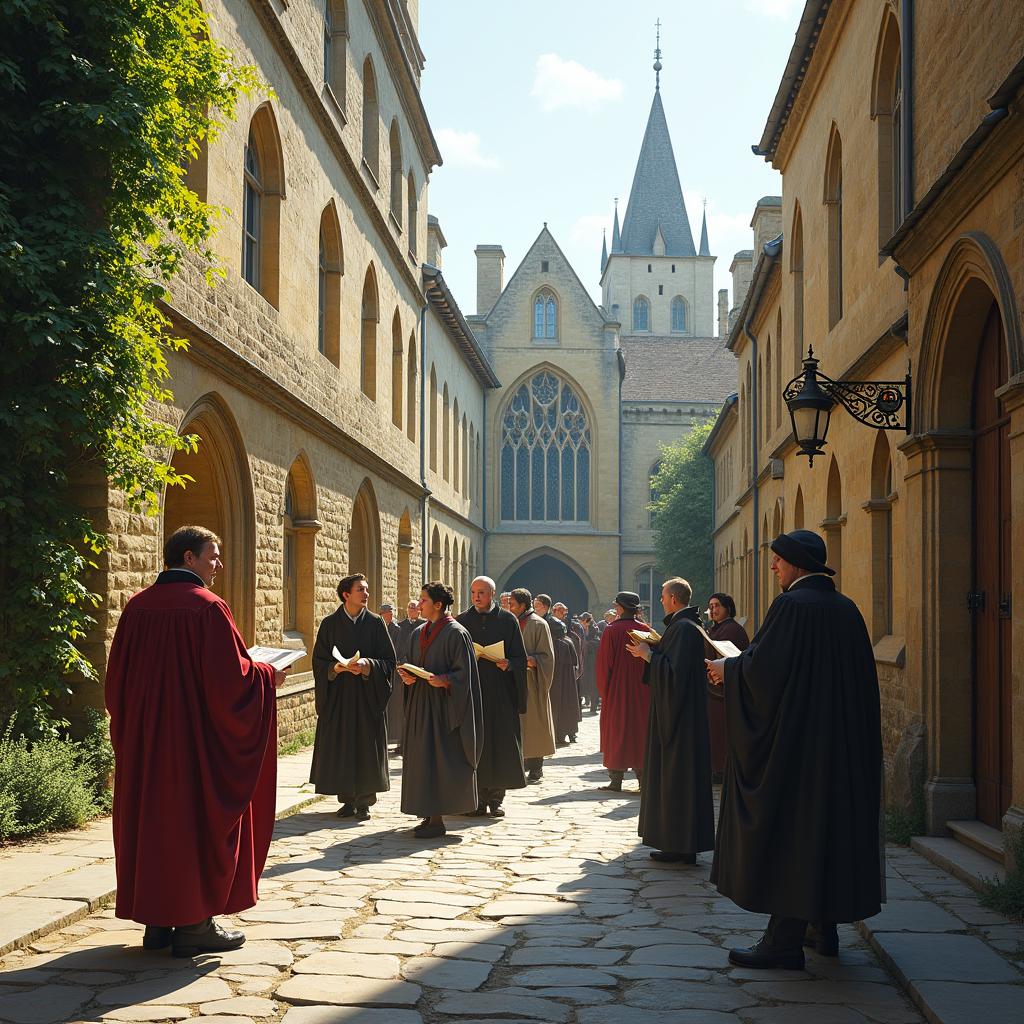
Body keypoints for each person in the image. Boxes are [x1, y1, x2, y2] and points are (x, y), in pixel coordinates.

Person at [706, 530, 883, 970]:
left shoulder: (791, 606)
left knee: (793, 832)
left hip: (797, 749)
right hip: (840, 750)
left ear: (797, 565)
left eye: (778, 562)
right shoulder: (847, 610)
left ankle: (783, 940)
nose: (773, 568)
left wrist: (727, 670)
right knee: (828, 830)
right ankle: (822, 928)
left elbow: (764, 671)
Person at [105, 525, 285, 957]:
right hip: (193, 746)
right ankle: (194, 926)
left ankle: (157, 923)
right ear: (188, 558)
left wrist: (136, 732)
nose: (219, 565)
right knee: (192, 823)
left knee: (154, 824)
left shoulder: (137, 607)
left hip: (148, 745)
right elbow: (231, 684)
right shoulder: (208, 609)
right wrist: (266, 676)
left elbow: (116, 685)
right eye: (213, 556)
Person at [627, 577, 714, 864]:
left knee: (679, 779)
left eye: (663, 596)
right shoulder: (682, 627)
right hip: (681, 716)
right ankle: (678, 843)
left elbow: (676, 675)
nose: (661, 600)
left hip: (680, 722)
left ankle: (681, 844)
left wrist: (649, 655)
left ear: (674, 599)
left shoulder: (684, 629)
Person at [398, 582, 483, 838]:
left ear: (438, 604)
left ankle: (437, 819)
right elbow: (411, 663)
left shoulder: (457, 633)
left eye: (423, 600)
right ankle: (425, 812)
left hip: (443, 707)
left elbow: (465, 674)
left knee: (438, 759)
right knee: (420, 758)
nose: (419, 603)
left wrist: (445, 679)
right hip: (420, 704)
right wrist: (407, 676)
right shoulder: (418, 632)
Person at [310, 574, 396, 821]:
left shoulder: (376, 623)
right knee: (342, 745)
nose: (366, 594)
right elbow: (319, 661)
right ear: (346, 595)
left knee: (367, 746)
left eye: (367, 589)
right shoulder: (329, 624)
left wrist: (368, 665)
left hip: (368, 696)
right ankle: (347, 799)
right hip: (339, 697)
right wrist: (335, 669)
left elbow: (389, 661)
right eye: (360, 590)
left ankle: (365, 801)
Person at [457, 576, 528, 815]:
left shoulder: (508, 621)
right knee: (475, 744)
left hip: (500, 693)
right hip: (473, 693)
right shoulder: (462, 621)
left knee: (499, 745)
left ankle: (496, 799)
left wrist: (509, 664)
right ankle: (475, 799)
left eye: (482, 592)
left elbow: (520, 657)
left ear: (493, 594)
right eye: (473, 592)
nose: (476, 597)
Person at [596, 592, 650, 792]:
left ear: (620, 607)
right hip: (643, 690)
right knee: (640, 731)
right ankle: (643, 780)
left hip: (617, 690)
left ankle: (616, 779)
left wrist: (604, 691)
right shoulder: (645, 629)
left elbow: (604, 665)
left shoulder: (611, 630)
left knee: (616, 731)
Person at [508, 588, 555, 783]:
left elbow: (547, 657)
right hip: (512, 679)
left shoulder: (539, 624)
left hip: (532, 681)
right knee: (517, 723)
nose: (509, 607)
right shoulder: (510, 623)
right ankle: (520, 761)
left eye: (512, 604)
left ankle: (536, 766)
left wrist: (532, 660)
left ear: (522, 605)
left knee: (534, 723)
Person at [705, 593, 749, 779]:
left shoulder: (732, 630)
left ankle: (722, 769)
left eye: (717, 606)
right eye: (711, 606)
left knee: (721, 730)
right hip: (712, 688)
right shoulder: (715, 629)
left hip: (724, 690)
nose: (713, 610)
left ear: (728, 608)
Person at [392, 600, 422, 754]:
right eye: (410, 607)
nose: (412, 610)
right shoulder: (401, 626)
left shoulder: (424, 625)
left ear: (419, 610)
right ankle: (403, 744)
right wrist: (402, 665)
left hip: (419, 671)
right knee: (403, 710)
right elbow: (398, 647)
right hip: (403, 671)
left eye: (415, 607)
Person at [549, 615, 582, 746]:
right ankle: (570, 733)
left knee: (558, 705)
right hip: (568, 681)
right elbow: (575, 661)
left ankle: (560, 734)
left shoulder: (557, 643)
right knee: (568, 704)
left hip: (558, 679)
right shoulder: (568, 641)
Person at [381, 603, 404, 756]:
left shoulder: (397, 630)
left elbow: (398, 649)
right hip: (381, 670)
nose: (387, 615)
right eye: (384, 612)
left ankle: (395, 739)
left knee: (395, 706)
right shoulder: (379, 627)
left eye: (389, 612)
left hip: (393, 672)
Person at [578, 612, 601, 712]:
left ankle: (593, 705)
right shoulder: (580, 629)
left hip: (592, 663)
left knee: (593, 682)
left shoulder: (595, 634)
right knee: (583, 682)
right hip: (584, 661)